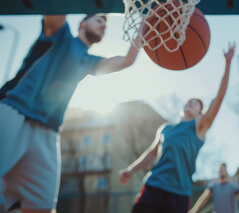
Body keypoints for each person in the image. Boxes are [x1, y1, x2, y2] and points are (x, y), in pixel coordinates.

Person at [0, 14, 141, 213]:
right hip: (15, 109)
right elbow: (56, 10)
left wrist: (145, 24)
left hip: (48, 129)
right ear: (82, 24)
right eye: (99, 20)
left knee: (41, 206)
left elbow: (127, 60)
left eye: (106, 23)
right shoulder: (61, 35)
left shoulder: (88, 61)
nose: (103, 25)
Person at [118, 42, 236, 213]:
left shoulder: (199, 126)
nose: (191, 103)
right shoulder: (165, 129)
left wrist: (228, 64)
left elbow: (220, 96)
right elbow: (151, 154)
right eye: (190, 101)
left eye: (196, 104)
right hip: (154, 186)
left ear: (200, 113)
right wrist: (130, 170)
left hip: (179, 192)